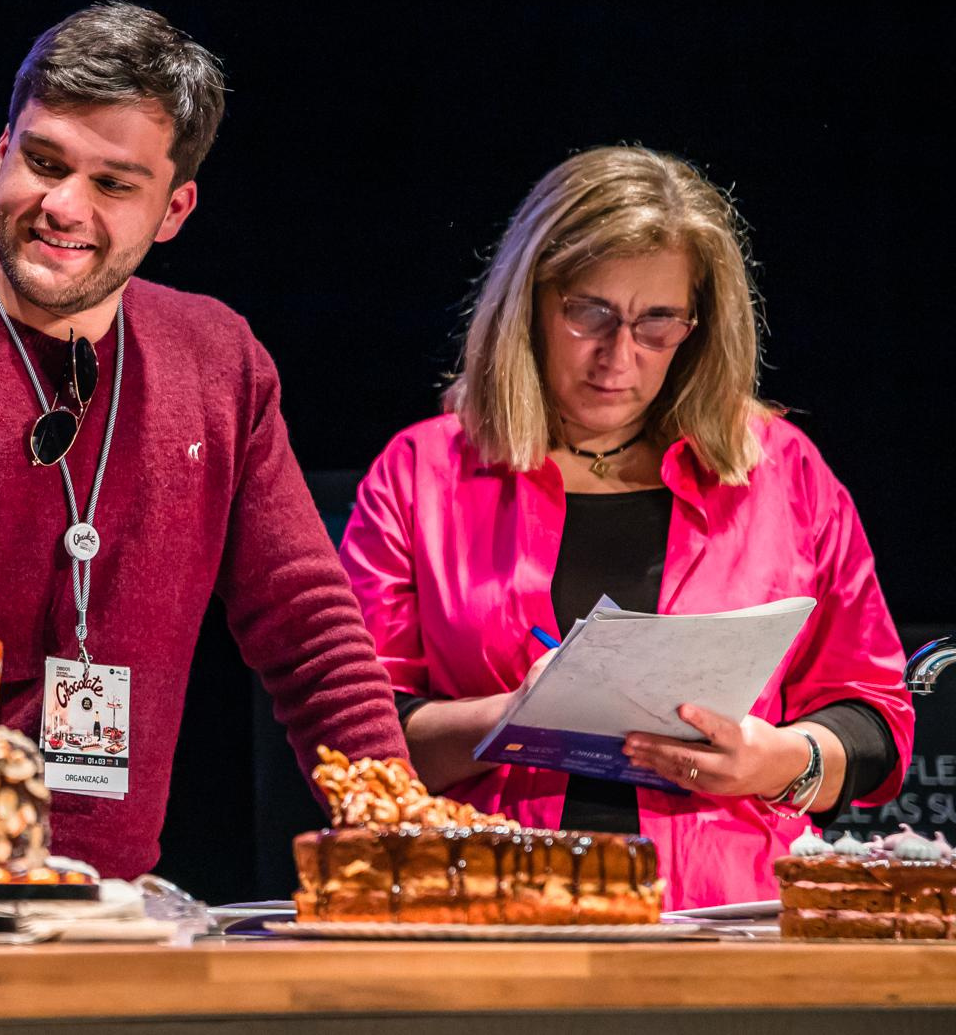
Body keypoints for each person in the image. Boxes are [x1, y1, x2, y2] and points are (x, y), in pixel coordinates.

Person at [0, 3, 407, 878]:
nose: (63, 206)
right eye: (45, 161)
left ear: (174, 209)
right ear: (0, 151)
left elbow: (308, 622)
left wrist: (394, 818)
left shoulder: (222, 360)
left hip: (114, 902)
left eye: (113, 184)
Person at [339, 145, 913, 909]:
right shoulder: (423, 471)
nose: (619, 356)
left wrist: (778, 759)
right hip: (484, 909)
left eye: (657, 322)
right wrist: (505, 716)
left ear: (698, 325)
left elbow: (876, 718)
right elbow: (354, 733)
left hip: (719, 917)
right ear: (531, 300)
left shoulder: (781, 470)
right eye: (589, 312)